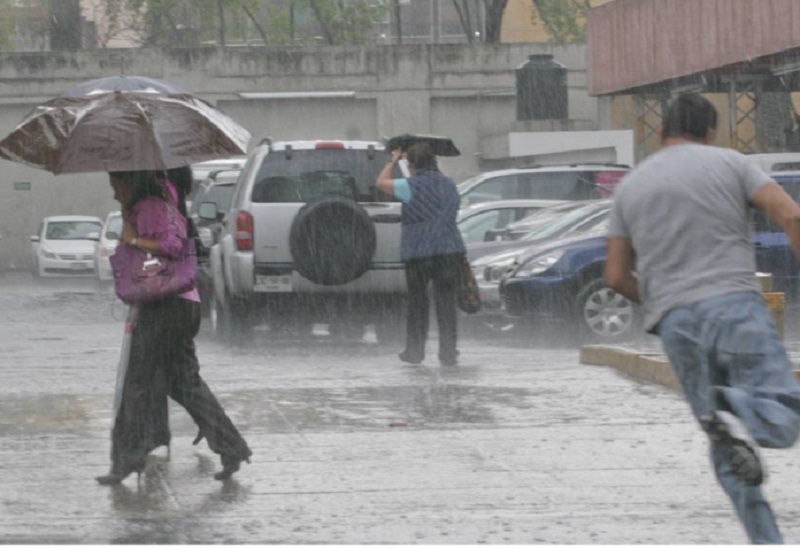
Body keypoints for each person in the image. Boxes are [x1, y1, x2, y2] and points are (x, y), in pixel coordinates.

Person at [606, 93, 800, 543]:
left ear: (660, 133)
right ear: (710, 132)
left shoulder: (629, 186)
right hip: (734, 305)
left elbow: (615, 276)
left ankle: (766, 540)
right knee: (784, 414)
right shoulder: (731, 163)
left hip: (675, 324)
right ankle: (734, 405)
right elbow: (789, 212)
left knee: (728, 450)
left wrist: (660, 300)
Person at [97, 170, 251, 485]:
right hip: (179, 305)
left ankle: (126, 459)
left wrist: (133, 239)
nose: (114, 193)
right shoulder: (150, 203)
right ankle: (232, 447)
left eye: (116, 185)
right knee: (183, 383)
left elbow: (171, 245)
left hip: (167, 307)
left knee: (136, 383)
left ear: (131, 181)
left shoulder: (152, 204)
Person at [376, 142, 466, 366]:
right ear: (434, 163)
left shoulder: (409, 186)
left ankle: (415, 352)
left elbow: (380, 183)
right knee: (446, 303)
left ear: (412, 164)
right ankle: (448, 353)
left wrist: (393, 161)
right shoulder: (449, 185)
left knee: (418, 303)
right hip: (449, 250)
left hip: (419, 252)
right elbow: (440, 182)